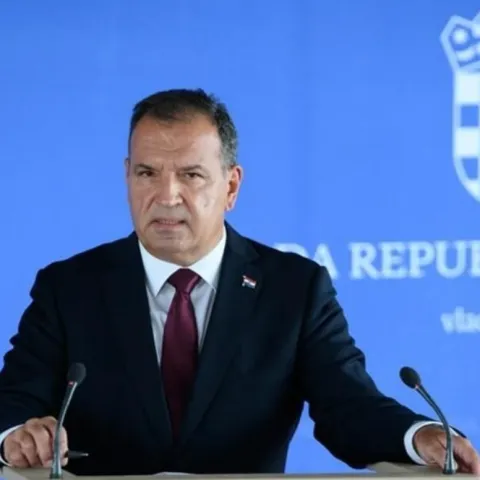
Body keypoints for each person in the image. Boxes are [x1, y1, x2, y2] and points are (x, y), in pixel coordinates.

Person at [0, 89, 478, 476]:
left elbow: (349, 405)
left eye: (191, 175)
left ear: (230, 186)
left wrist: (417, 436)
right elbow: (15, 400)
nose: (166, 195)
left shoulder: (295, 289)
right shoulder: (69, 288)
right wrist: (16, 435)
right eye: (147, 173)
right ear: (127, 176)